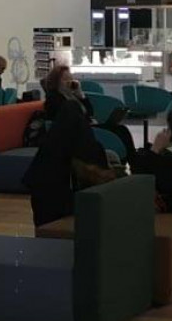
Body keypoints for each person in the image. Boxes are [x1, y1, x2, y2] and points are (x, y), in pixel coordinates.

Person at [24, 64, 113, 227]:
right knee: (97, 147)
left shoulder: (73, 97)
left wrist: (80, 94)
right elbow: (67, 120)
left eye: (70, 78)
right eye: (65, 79)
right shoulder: (55, 99)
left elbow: (89, 112)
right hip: (73, 138)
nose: (69, 81)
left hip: (76, 137)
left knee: (117, 132)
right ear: (56, 81)